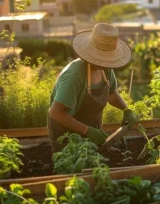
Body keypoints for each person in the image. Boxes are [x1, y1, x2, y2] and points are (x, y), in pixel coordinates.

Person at [48, 23, 138, 153]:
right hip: (67, 135)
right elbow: (56, 113)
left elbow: (111, 93)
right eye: (102, 58)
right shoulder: (74, 75)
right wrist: (87, 130)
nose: (105, 62)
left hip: (90, 134)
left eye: (108, 59)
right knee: (73, 167)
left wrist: (126, 110)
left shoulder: (105, 69)